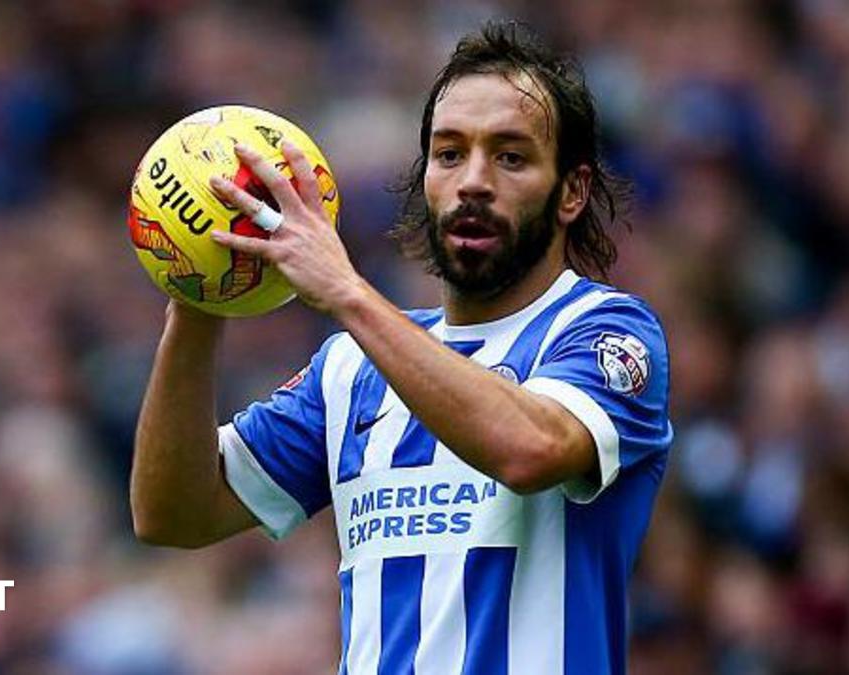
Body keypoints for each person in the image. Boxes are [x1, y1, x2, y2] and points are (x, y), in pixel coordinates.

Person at [131, 20, 672, 675]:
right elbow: (174, 512)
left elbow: (530, 450)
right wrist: (198, 296)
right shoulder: (349, 369)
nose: (473, 181)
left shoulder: (606, 331)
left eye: (510, 156)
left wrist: (347, 293)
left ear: (572, 192)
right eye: (449, 154)